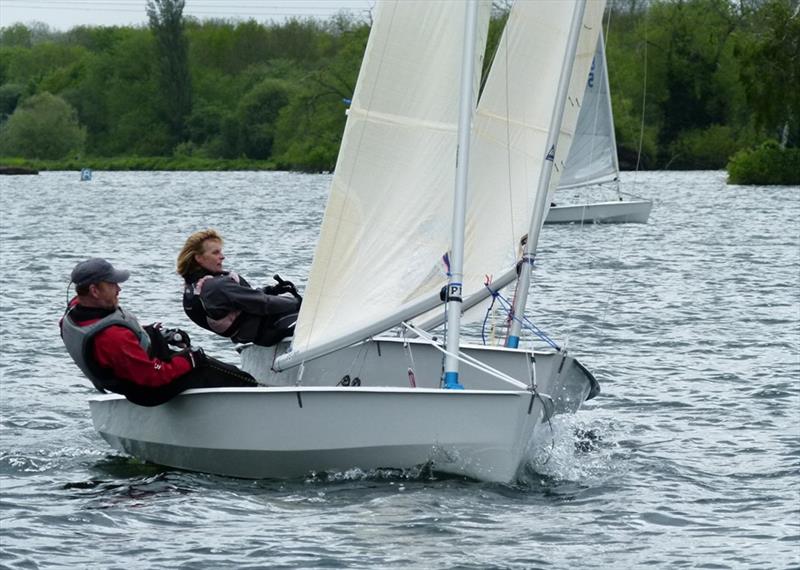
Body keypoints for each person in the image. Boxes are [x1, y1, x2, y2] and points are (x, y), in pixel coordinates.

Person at [60, 258, 259, 407]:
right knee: (203, 364)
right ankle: (255, 394)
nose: (119, 289)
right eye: (112, 284)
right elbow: (152, 376)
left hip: (134, 372)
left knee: (175, 347)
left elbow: (121, 345)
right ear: (94, 291)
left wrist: (156, 334)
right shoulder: (112, 337)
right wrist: (189, 360)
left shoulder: (75, 310)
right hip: (149, 390)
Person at [176, 229, 301, 347]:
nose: (222, 256)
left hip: (251, 336)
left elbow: (241, 302)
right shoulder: (216, 286)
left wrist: (269, 290)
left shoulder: (193, 289)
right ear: (199, 258)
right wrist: (299, 303)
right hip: (270, 329)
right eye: (215, 252)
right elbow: (264, 303)